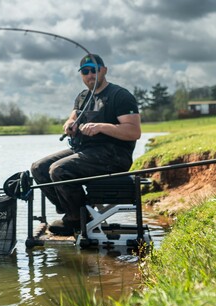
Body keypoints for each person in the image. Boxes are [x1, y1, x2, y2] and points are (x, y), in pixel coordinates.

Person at [30, 54, 141, 236]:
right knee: (39, 168)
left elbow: (133, 131)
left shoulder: (120, 96)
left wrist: (101, 127)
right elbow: (72, 117)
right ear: (81, 74)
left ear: (103, 70)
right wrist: (69, 126)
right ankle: (75, 212)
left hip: (114, 155)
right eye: (85, 71)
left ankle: (76, 219)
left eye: (94, 70)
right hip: (84, 150)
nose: (90, 75)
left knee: (58, 170)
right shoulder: (83, 97)